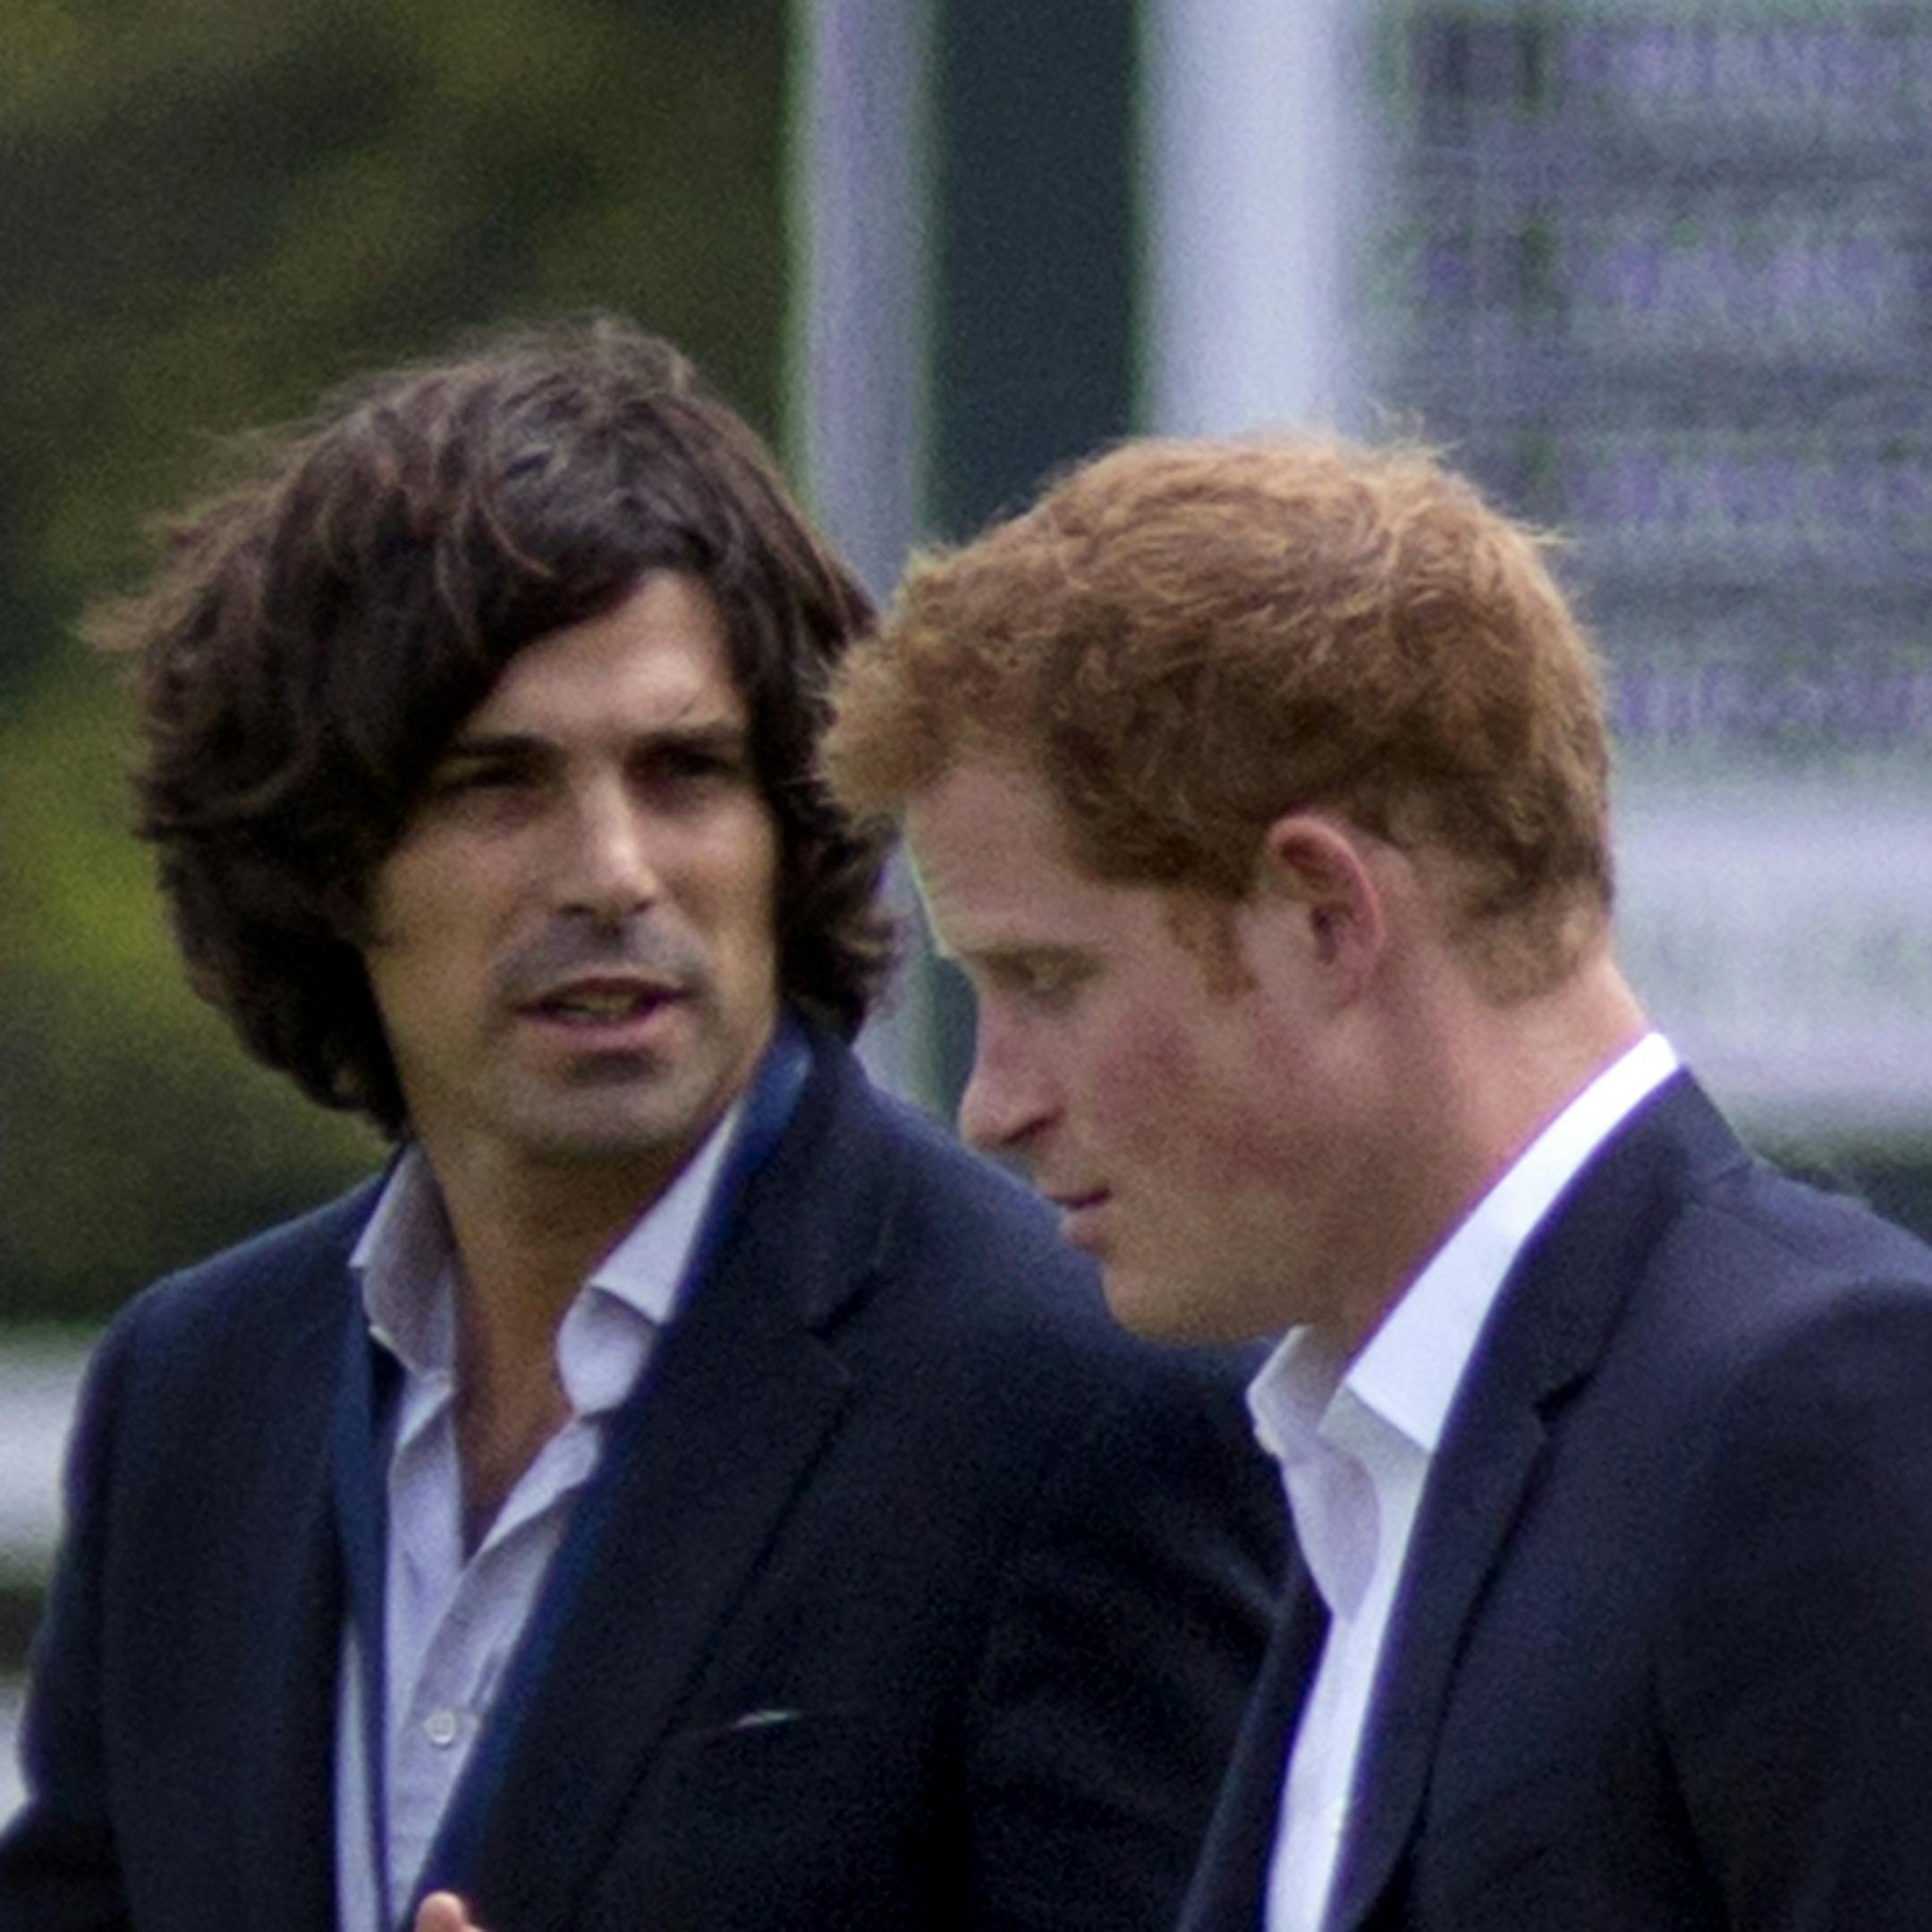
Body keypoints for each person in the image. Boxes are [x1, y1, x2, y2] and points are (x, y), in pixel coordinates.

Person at [0, 320, 1284, 1932]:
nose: (612, 871)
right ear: (331, 861)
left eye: (684, 772)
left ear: (794, 828)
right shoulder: (193, 1394)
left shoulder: (1077, 1402)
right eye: (498, 784)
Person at [822, 432, 1932, 1930]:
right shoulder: (1375, 1480)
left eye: (1046, 978)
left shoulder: (1818, 1409)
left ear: (1324, 914)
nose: (990, 1103)